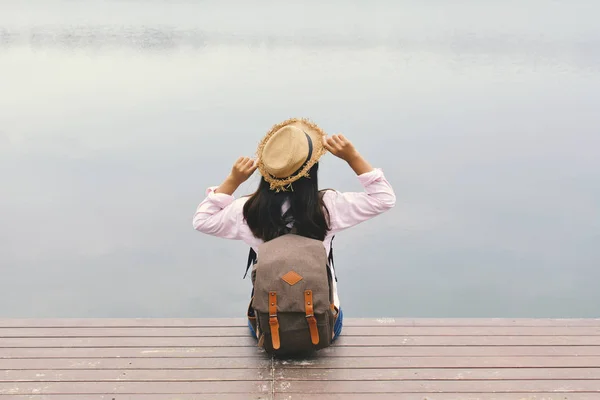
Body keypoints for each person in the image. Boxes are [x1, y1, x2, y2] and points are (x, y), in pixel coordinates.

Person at [192, 118, 396, 341]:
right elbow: (383, 199)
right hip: (323, 325)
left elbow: (202, 220)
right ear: (312, 169)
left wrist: (232, 180)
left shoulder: (247, 211)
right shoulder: (327, 207)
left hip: (267, 327)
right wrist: (353, 157)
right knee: (329, 308)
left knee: (260, 316)